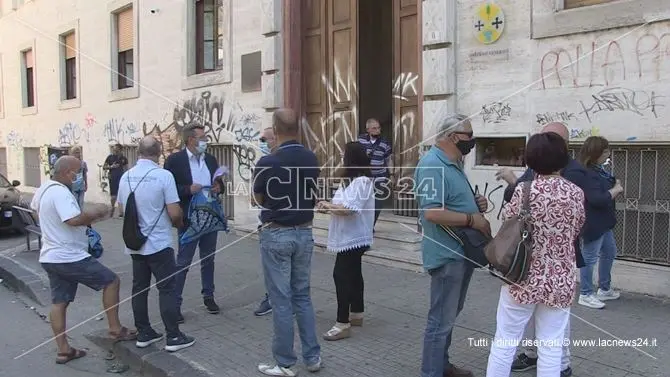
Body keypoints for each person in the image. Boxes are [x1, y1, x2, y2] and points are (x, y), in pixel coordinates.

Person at [486, 132, 586, 377]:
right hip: (560, 279)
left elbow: (506, 222)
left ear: (530, 160)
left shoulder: (524, 191)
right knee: (551, 347)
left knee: (505, 341)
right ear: (563, 159)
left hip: (522, 277)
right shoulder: (576, 193)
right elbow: (577, 229)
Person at [30, 156, 136, 364]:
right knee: (111, 281)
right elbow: (73, 220)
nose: (80, 176)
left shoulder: (44, 189)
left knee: (59, 301)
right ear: (67, 172)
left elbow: (36, 209)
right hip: (68, 256)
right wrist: (94, 214)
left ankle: (63, 350)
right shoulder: (60, 193)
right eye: (78, 172)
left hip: (50, 255)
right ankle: (115, 328)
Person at [415, 114, 489, 377]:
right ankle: (432, 372)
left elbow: (451, 201)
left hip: (461, 252)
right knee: (440, 321)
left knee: (449, 315)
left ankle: (442, 366)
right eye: (468, 136)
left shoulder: (452, 162)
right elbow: (432, 213)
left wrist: (476, 203)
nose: (472, 141)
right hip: (447, 254)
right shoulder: (432, 165)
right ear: (451, 137)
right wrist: (472, 219)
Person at [252, 109, 321, 377]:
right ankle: (313, 357)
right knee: (302, 296)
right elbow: (312, 191)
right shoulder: (311, 157)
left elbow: (258, 197)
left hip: (277, 232)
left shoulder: (268, 162)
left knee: (281, 300)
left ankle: (284, 362)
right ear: (298, 129)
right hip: (304, 232)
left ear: (275, 129)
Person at [116, 136, 196, 352]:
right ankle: (173, 336)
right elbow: (174, 211)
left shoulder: (126, 177)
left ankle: (144, 333)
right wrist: (180, 224)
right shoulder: (163, 176)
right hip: (159, 243)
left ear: (139, 152)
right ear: (159, 153)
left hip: (134, 243)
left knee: (139, 288)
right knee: (167, 289)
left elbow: (122, 209)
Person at [316, 141, 375, 341]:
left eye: (344, 156)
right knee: (354, 273)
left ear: (351, 159)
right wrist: (327, 206)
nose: (341, 159)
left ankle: (342, 323)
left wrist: (328, 206)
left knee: (340, 275)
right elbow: (340, 204)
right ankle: (357, 313)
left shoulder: (363, 182)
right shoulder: (347, 181)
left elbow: (350, 209)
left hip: (355, 236)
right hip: (346, 235)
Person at [164, 124, 221, 321]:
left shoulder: (211, 159)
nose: (206, 141)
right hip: (188, 219)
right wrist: (188, 189)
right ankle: (175, 303)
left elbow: (219, 183)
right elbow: (167, 188)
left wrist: (217, 187)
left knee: (209, 259)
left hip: (210, 217)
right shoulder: (175, 160)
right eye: (202, 137)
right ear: (190, 140)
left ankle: (209, 296)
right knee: (183, 262)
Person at [577, 136, 624, 309]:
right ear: (596, 153)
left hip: (604, 222)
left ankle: (604, 288)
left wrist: (613, 183)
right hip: (593, 223)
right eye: (605, 151)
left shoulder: (599, 171)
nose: (608, 154)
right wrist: (616, 189)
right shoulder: (588, 173)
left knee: (609, 252)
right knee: (590, 258)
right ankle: (585, 293)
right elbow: (597, 199)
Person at [254, 127, 276, 317]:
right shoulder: (263, 162)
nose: (262, 143)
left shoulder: (267, 162)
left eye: (264, 139)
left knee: (273, 267)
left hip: (275, 225)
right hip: (270, 221)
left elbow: (257, 197)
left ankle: (273, 299)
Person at [358, 118, 393, 229]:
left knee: (378, 203)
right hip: (364, 177)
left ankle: (370, 226)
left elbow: (388, 159)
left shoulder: (385, 142)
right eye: (374, 128)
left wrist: (392, 175)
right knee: (364, 202)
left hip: (380, 177)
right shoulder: (360, 140)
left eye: (378, 128)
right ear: (368, 129)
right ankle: (362, 226)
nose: (377, 130)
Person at [103, 144, 128, 217]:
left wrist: (126, 177)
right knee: (113, 196)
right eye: (114, 150)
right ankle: (112, 208)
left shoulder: (124, 158)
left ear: (120, 150)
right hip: (113, 178)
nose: (115, 151)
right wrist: (111, 167)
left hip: (121, 178)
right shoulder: (110, 157)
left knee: (121, 195)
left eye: (116, 150)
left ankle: (121, 212)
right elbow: (104, 167)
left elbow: (126, 168)